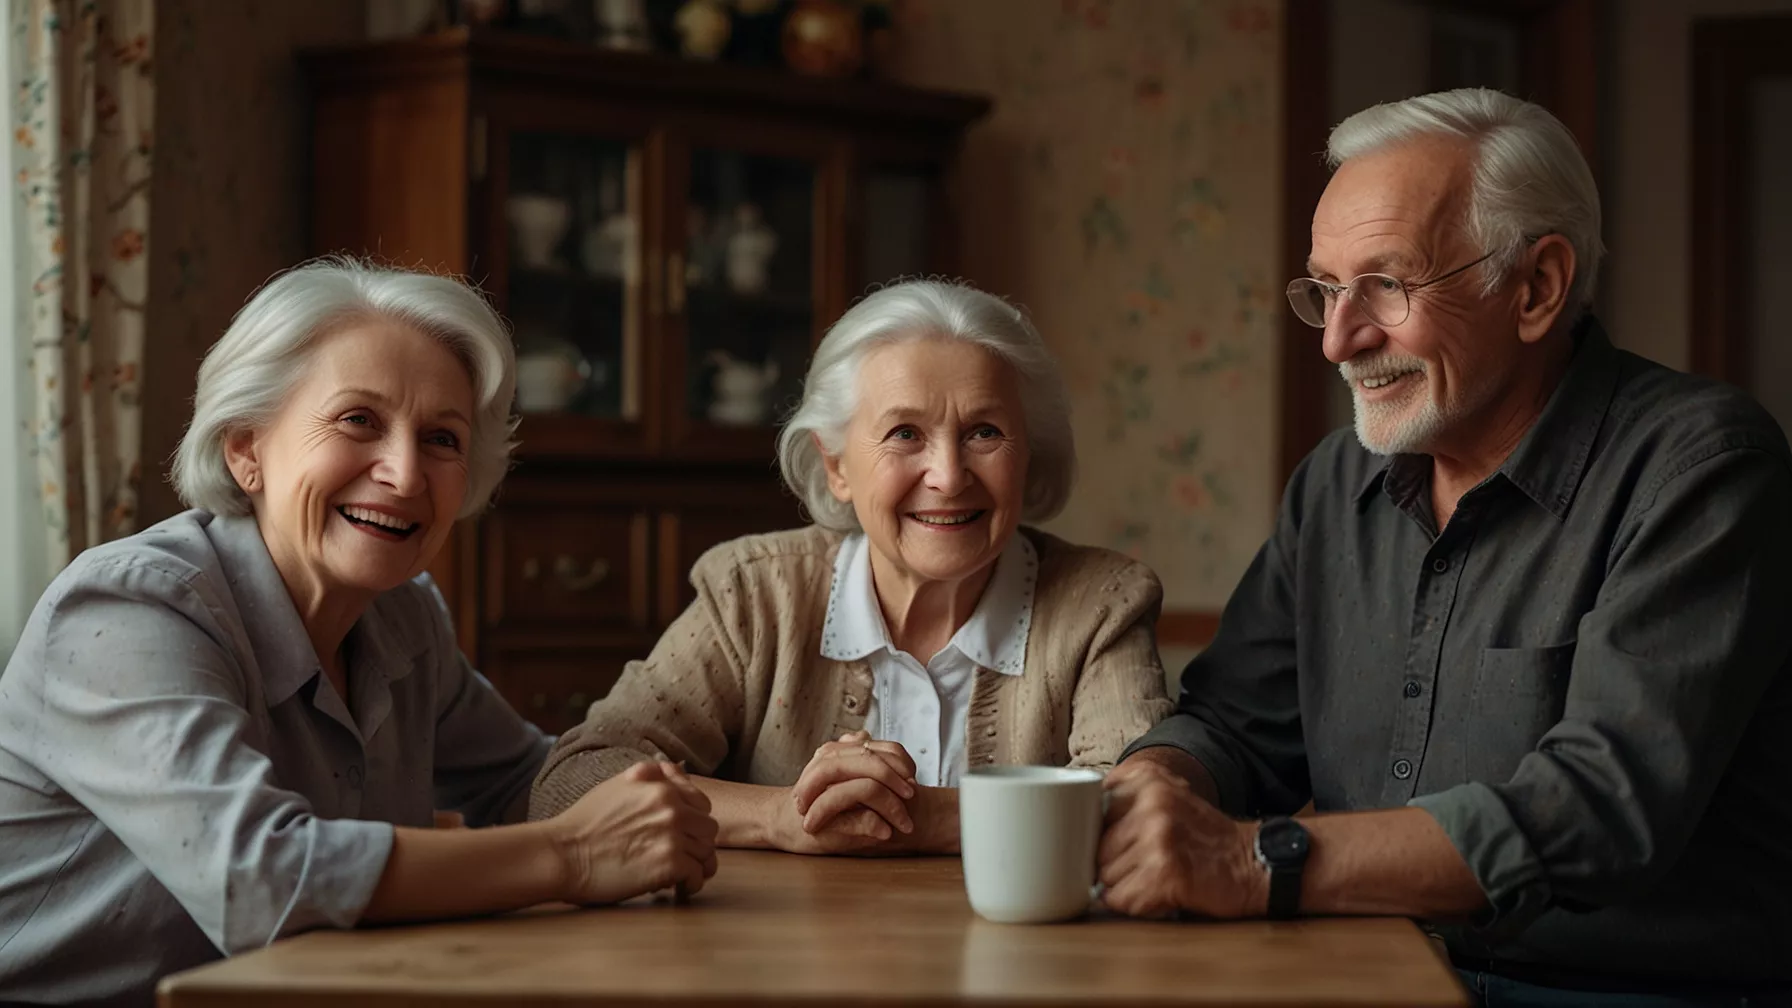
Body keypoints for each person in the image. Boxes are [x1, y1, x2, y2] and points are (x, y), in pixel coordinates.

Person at [1100, 88, 1792, 1005]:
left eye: (1386, 284)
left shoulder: (1702, 465)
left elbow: (1600, 805)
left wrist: (1250, 859)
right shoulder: (1334, 484)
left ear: (1538, 287)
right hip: (1370, 973)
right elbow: (1233, 726)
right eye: (1327, 289)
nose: (1340, 340)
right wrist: (1150, 788)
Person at [0, 260, 717, 1007]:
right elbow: (260, 877)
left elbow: (527, 781)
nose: (406, 474)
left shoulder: (403, 615)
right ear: (246, 448)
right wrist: (574, 854)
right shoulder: (128, 608)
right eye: (358, 420)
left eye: (442, 438)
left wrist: (770, 814)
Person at [530, 280, 1172, 854]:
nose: (948, 476)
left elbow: (1143, 808)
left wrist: (925, 818)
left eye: (984, 432)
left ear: (1028, 454)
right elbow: (574, 780)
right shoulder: (755, 593)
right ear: (836, 465)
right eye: (904, 434)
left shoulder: (1100, 604)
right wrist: (782, 815)